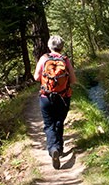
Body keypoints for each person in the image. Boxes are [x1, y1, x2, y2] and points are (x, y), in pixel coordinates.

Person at [33, 35, 77, 169]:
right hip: (63, 97)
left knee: (49, 124)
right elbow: (73, 80)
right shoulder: (65, 59)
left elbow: (36, 77)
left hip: (46, 97)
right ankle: (59, 147)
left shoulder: (44, 59)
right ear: (61, 46)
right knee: (59, 122)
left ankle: (53, 149)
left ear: (49, 46)